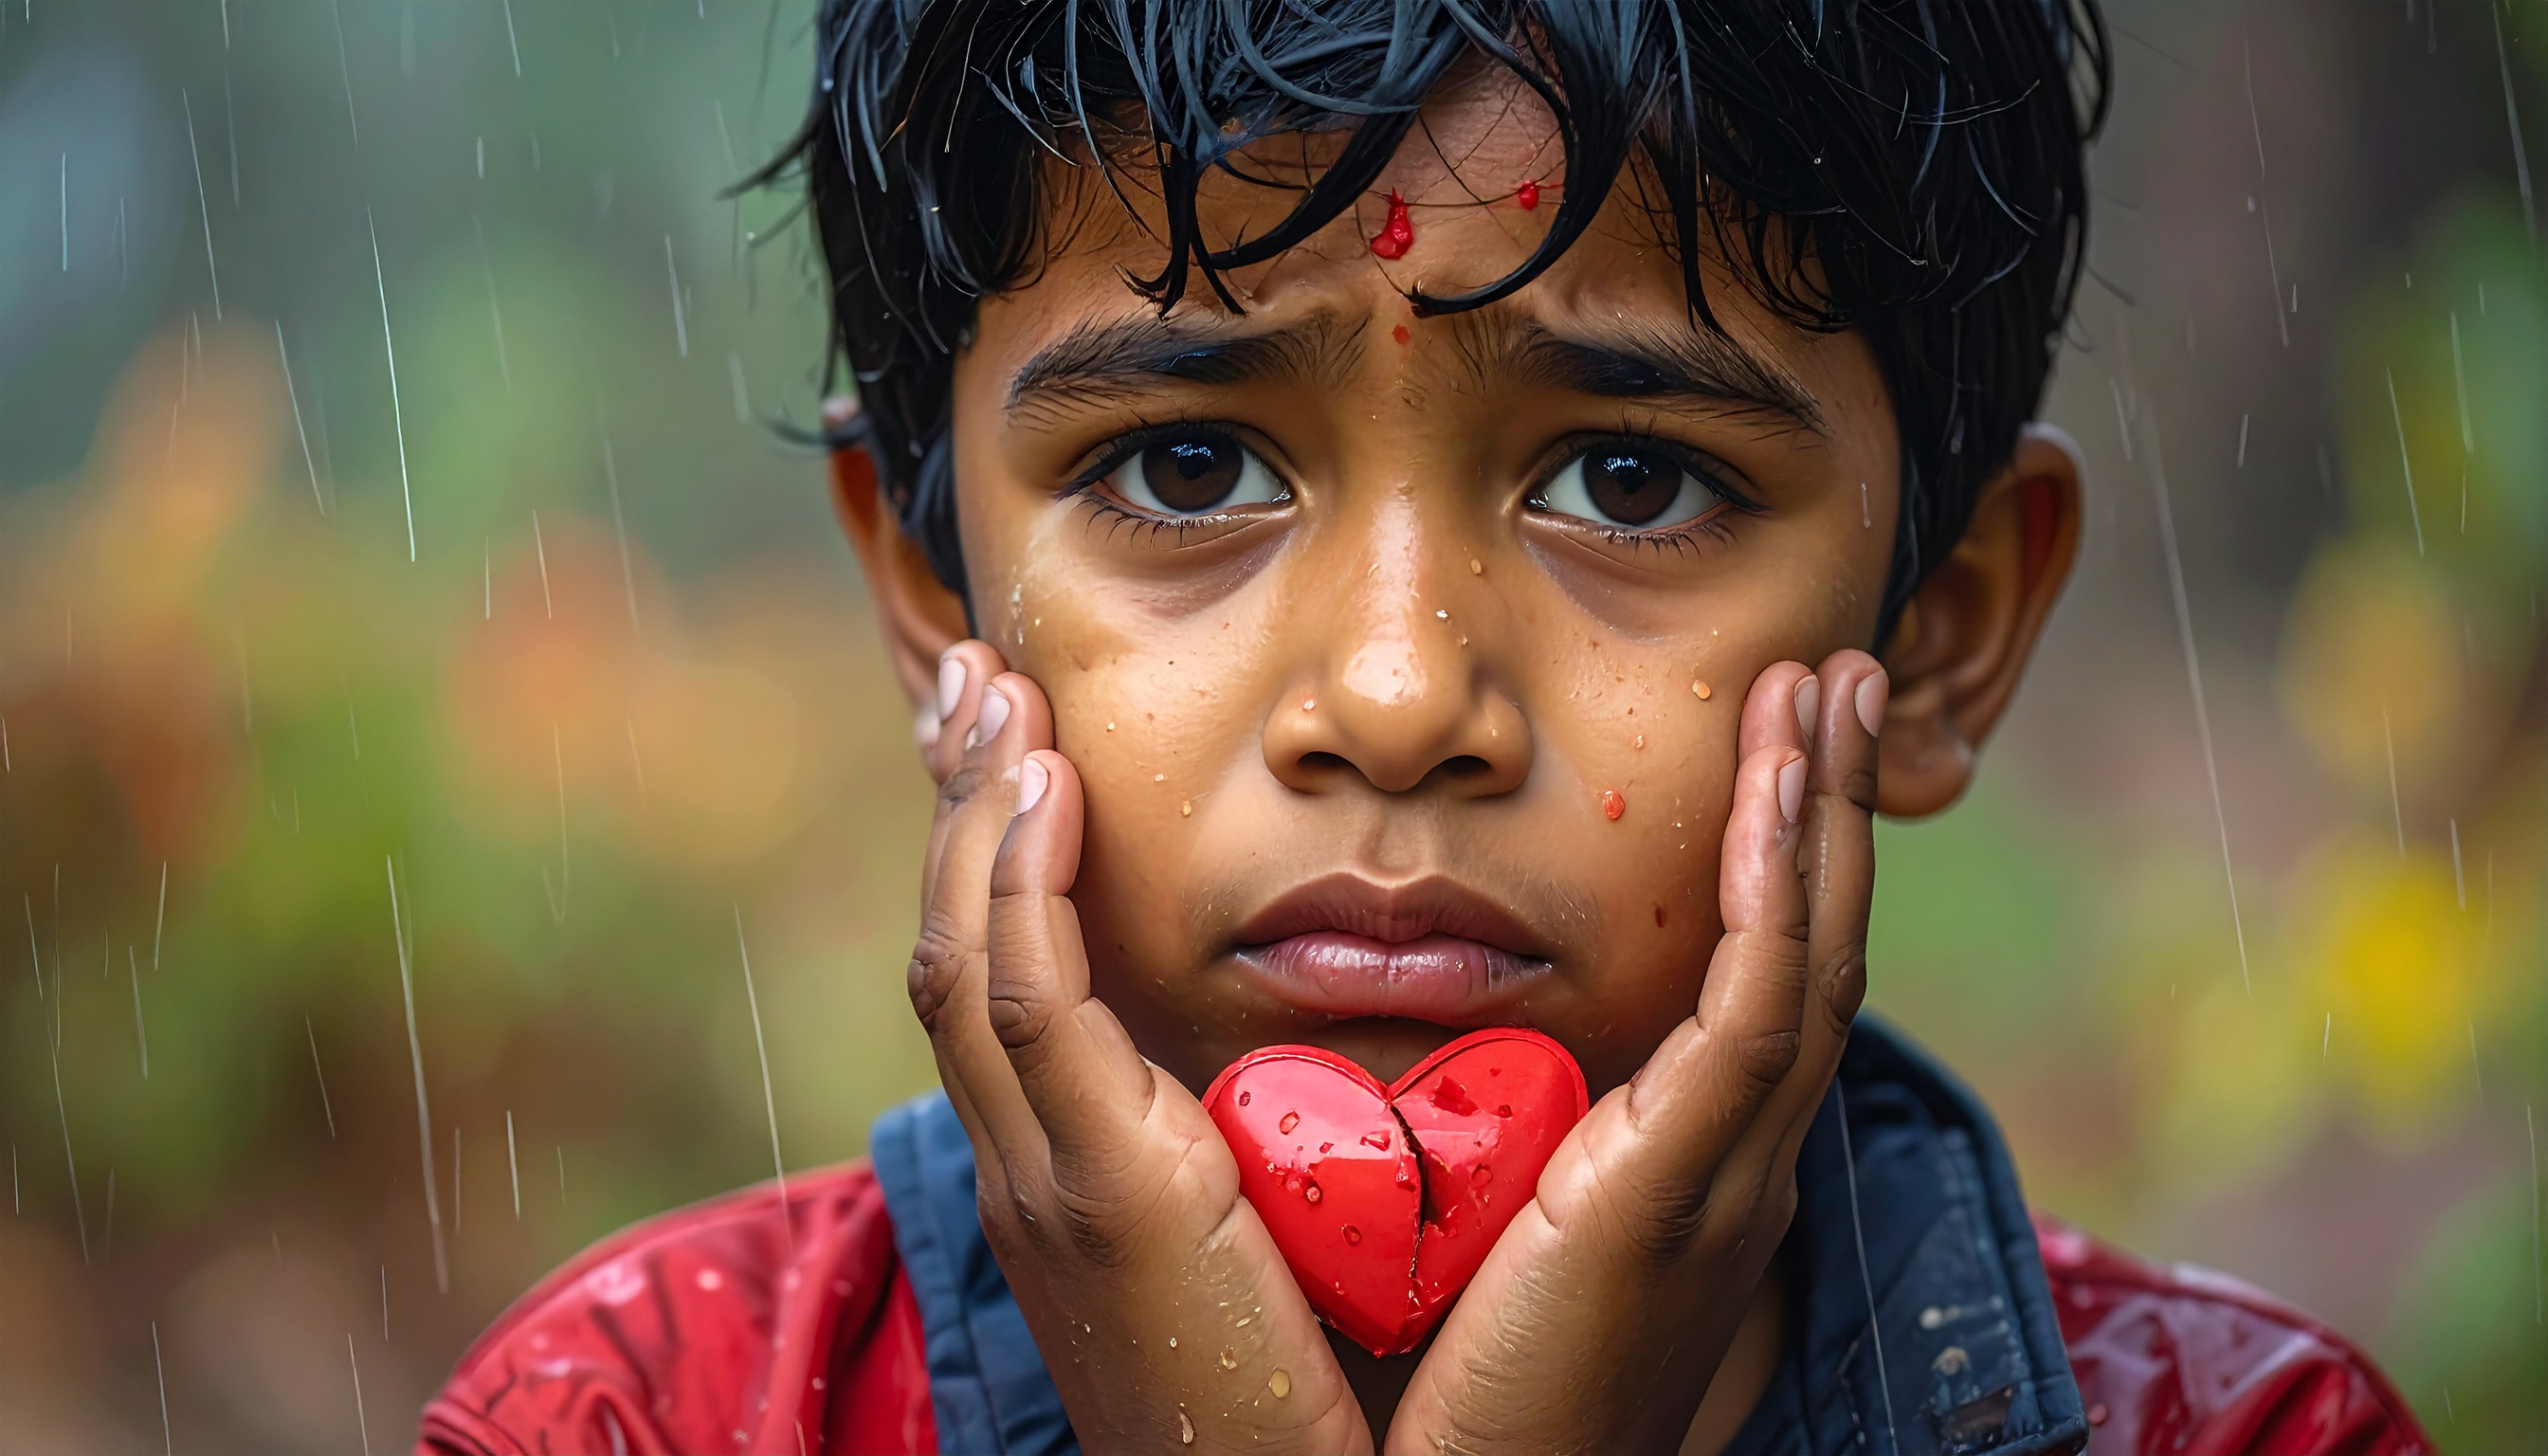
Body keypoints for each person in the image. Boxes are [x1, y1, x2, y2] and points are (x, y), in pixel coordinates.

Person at [422, 2, 2431, 1452]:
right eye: (1192, 467)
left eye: (1630, 484)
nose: (1396, 698)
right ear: (931, 593)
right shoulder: (634, 1419)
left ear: (1945, 631)